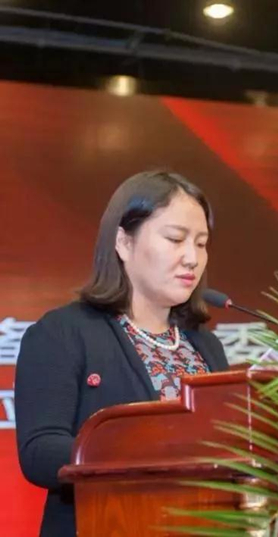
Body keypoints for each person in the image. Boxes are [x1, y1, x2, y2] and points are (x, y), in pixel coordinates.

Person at [14, 170, 229, 537]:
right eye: (175, 239)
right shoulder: (63, 333)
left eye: (201, 243)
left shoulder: (206, 345)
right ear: (124, 243)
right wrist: (152, 453)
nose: (192, 258)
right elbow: (40, 452)